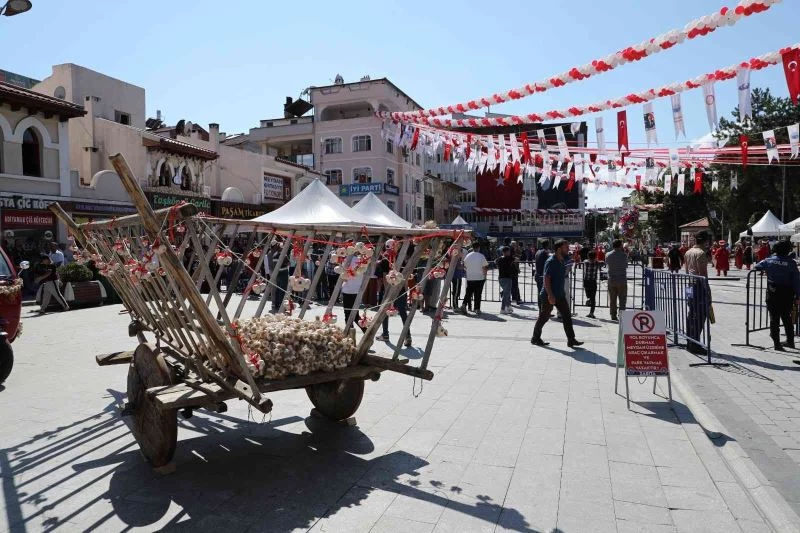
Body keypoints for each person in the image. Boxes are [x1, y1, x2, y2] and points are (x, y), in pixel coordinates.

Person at [530, 240, 584, 348]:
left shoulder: (562, 260)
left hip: (559, 294)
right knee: (544, 317)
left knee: (567, 315)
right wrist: (550, 295)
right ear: (559, 248)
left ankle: (571, 339)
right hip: (549, 295)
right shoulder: (551, 261)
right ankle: (535, 338)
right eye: (566, 247)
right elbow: (546, 279)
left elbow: (568, 265)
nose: (568, 249)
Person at [755, 240, 800, 351]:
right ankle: (790, 341)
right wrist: (798, 296)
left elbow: (757, 266)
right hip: (787, 294)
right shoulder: (791, 263)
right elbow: (796, 281)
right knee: (787, 318)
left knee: (774, 318)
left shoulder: (769, 260)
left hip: (773, 293)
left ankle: (777, 344)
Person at [377, 240, 412, 347]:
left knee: (384, 312)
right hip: (400, 289)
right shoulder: (402, 260)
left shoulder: (384, 259)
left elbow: (384, 277)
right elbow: (404, 277)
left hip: (389, 290)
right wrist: (405, 290)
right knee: (403, 313)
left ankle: (385, 334)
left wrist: (387, 292)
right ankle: (408, 336)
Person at [684, 231, 712, 355]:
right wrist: (708, 291)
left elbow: (686, 270)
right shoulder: (701, 253)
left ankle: (689, 341)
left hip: (689, 285)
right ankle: (695, 344)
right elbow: (703, 275)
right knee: (700, 316)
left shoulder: (688, 252)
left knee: (691, 314)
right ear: (706, 241)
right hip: (698, 286)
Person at [460, 242, 488, 315]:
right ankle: (477, 309)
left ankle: (464, 304)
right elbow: (484, 267)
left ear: (472, 247)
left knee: (468, 293)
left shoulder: (468, 256)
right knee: (478, 294)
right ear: (478, 247)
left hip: (470, 277)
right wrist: (485, 276)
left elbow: (464, 266)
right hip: (479, 277)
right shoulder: (481, 256)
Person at [605, 239, 628, 321]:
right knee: (622, 298)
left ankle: (613, 315)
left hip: (612, 278)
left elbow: (607, 264)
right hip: (622, 279)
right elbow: (626, 266)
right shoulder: (624, 255)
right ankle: (622, 315)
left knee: (612, 298)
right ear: (620, 245)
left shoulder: (608, 254)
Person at [496, 246, 515, 314]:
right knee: (506, 293)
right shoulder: (509, 258)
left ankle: (508, 306)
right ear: (506, 252)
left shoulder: (499, 259)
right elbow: (516, 259)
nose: (510, 252)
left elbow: (496, 263)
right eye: (509, 251)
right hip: (507, 278)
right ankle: (503, 308)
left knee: (506, 293)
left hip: (501, 278)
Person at [583, 250, 600, 318]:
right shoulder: (597, 263)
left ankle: (589, 299)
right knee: (593, 298)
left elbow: (585, 260)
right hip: (593, 281)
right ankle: (591, 312)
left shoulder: (585, 262)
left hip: (586, 281)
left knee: (588, 295)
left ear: (588, 256)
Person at [534, 240, 550, 305]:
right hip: (543, 275)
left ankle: (541, 310)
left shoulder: (537, 252)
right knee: (544, 293)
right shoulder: (545, 252)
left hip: (537, 274)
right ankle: (544, 311)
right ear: (547, 245)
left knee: (539, 292)